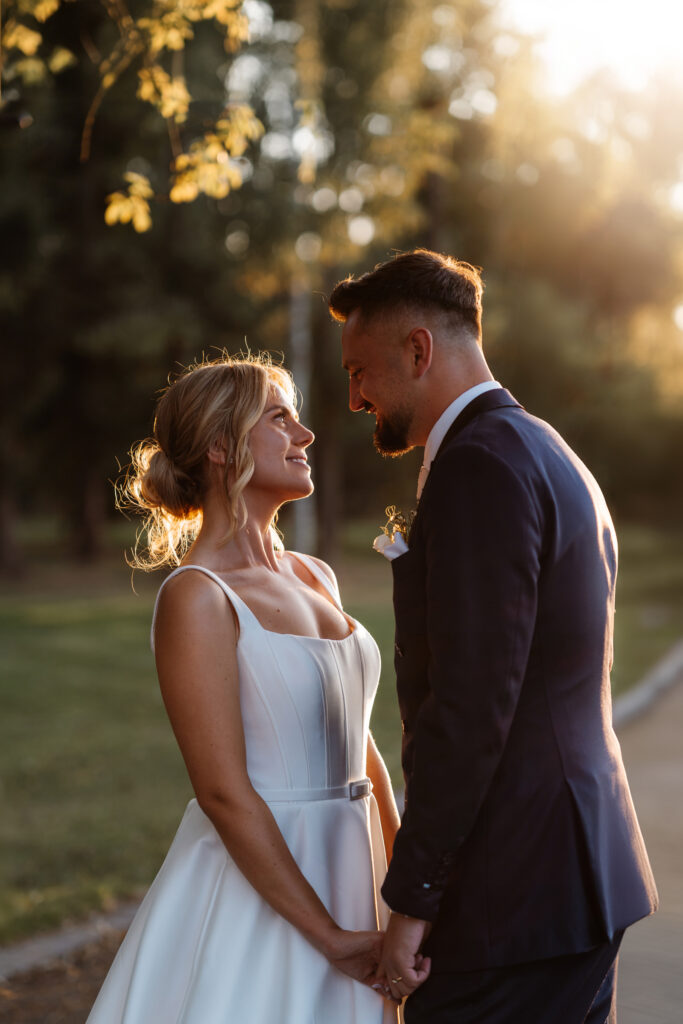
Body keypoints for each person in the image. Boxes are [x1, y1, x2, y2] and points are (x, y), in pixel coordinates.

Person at [329, 249, 658, 1024]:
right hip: (572, 879)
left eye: (360, 371)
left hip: (511, 898)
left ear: (418, 350)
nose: (353, 398)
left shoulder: (478, 466)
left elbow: (470, 710)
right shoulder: (544, 447)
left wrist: (411, 900)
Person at [87, 354, 404, 1024]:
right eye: (279, 418)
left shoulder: (315, 574)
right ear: (220, 446)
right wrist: (329, 937)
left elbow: (361, 746)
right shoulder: (198, 597)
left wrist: (406, 884)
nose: (305, 434)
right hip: (269, 887)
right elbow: (224, 794)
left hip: (357, 867)